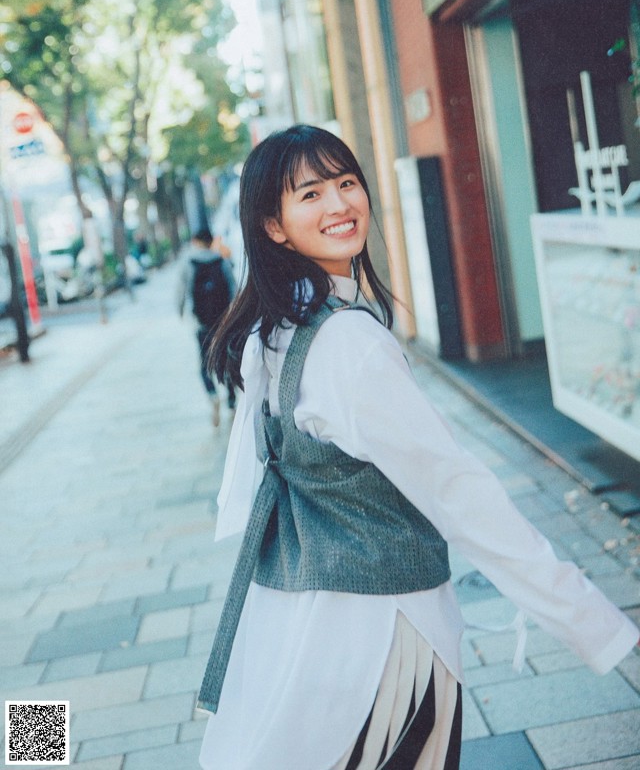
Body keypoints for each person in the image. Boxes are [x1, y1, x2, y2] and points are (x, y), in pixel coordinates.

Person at [196, 125, 638, 770]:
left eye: (347, 183)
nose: (340, 204)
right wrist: (593, 623)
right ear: (274, 226)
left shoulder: (278, 328)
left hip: (304, 628)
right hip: (384, 636)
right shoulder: (348, 344)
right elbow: (460, 492)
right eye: (311, 193)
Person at [178, 228, 236, 425]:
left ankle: (213, 395)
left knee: (204, 363)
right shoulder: (221, 261)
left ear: (195, 241)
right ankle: (232, 400)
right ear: (210, 241)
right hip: (223, 321)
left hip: (201, 322)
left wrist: (181, 311)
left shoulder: (188, 262)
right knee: (226, 360)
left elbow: (182, 290)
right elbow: (233, 289)